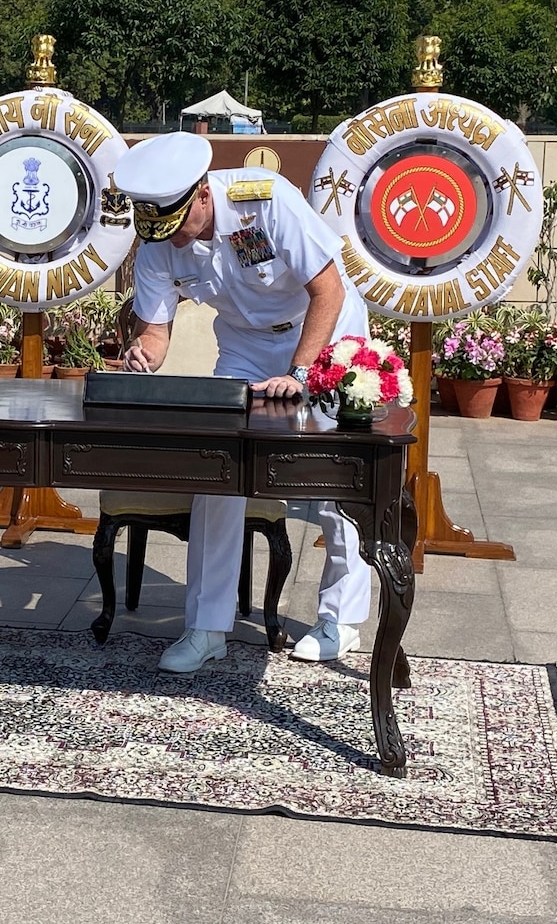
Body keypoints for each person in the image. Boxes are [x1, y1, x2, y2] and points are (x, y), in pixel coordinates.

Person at [115, 131, 372, 672]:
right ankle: (207, 626)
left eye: (179, 225)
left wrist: (300, 372)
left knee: (333, 472)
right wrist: (145, 352)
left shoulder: (266, 200)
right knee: (219, 471)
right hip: (245, 344)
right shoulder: (160, 239)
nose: (175, 243)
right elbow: (156, 330)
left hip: (321, 332)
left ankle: (340, 619)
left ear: (203, 194)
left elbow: (329, 291)